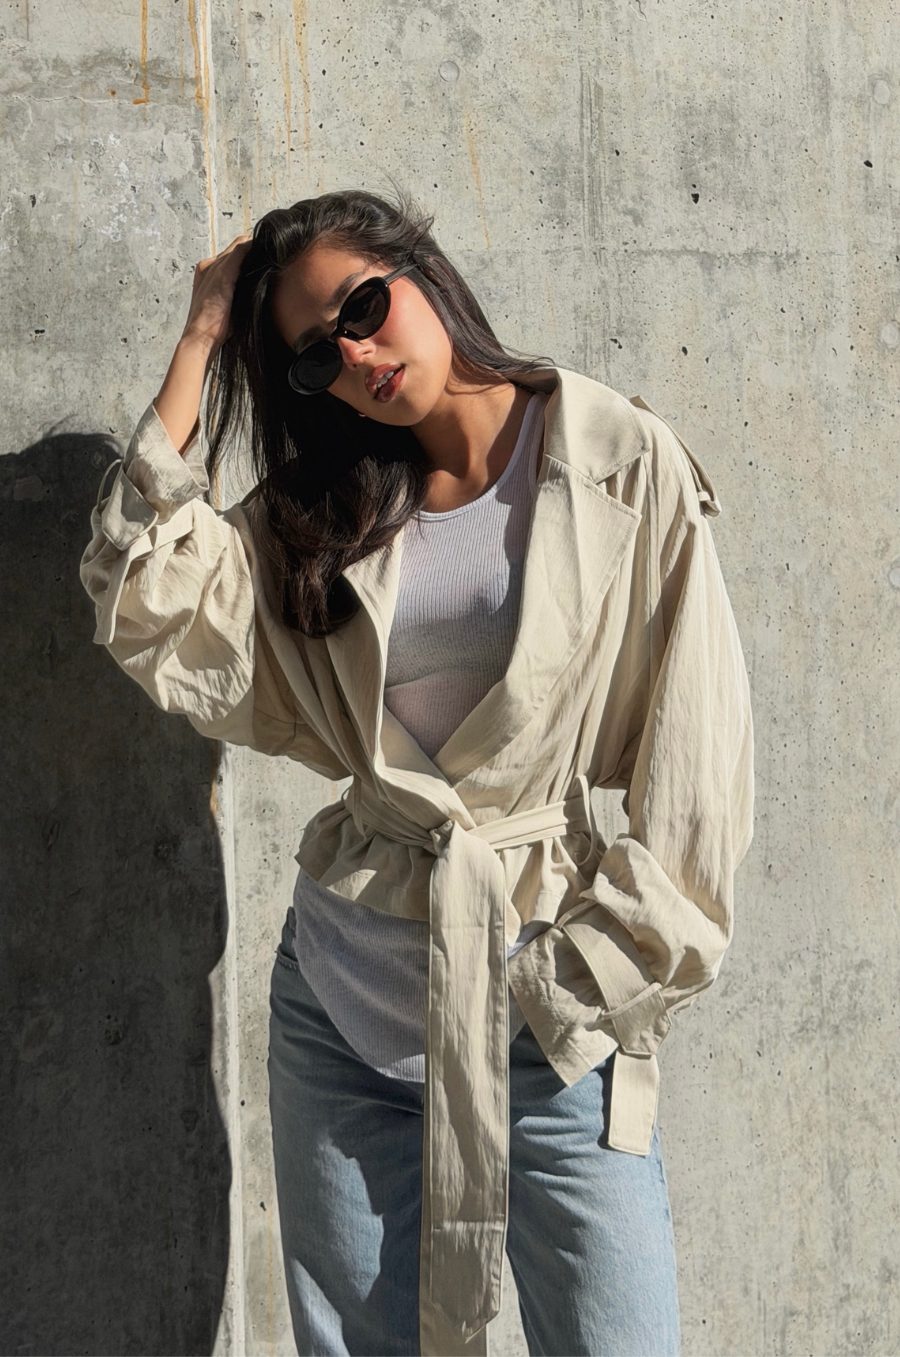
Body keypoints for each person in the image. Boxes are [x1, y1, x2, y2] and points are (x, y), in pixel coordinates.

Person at [80, 188, 754, 1357]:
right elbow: (144, 597)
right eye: (313, 357)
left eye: (365, 307)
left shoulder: (614, 460)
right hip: (343, 1010)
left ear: (420, 270)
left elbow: (700, 774)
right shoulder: (320, 514)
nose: (354, 355)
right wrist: (200, 340)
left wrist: (576, 991)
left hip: (548, 1010)